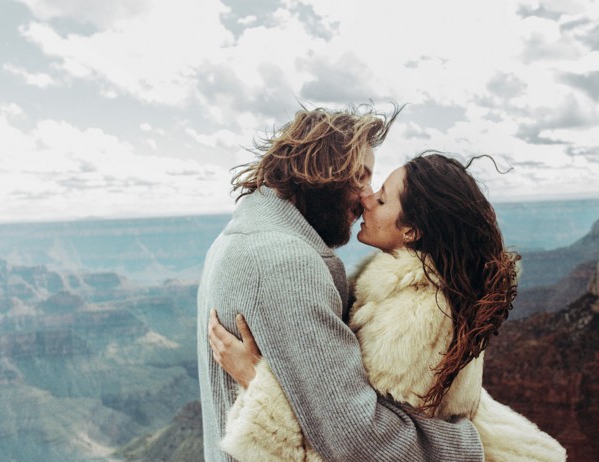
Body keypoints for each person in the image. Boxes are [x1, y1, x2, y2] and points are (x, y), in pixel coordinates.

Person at [209, 153, 568, 461]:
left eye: (382, 200)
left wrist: (257, 381)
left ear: (411, 231)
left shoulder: (415, 315)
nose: (366, 199)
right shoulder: (424, 291)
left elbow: (370, 447)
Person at [197, 106, 485, 462]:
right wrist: (468, 446)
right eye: (360, 177)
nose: (366, 196)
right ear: (323, 172)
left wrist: (257, 378)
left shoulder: (238, 238)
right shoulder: (285, 264)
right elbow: (361, 441)